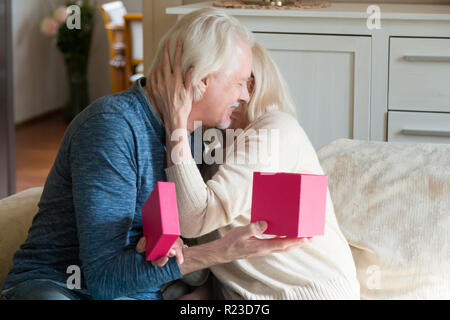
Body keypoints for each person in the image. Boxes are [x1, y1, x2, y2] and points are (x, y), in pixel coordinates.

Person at [0, 9, 309, 301]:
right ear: (201, 80)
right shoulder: (112, 127)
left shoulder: (196, 139)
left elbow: (182, 234)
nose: (244, 96)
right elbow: (103, 278)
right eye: (239, 83)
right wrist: (220, 251)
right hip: (60, 288)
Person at [150, 40, 361, 300]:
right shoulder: (213, 146)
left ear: (252, 85)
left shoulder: (276, 129)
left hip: (308, 292)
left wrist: (176, 124)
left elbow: (196, 219)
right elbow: (214, 239)